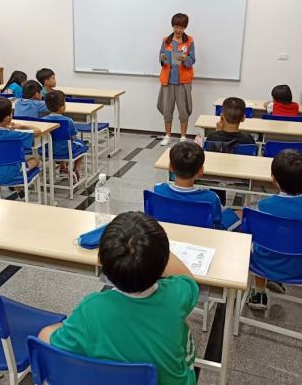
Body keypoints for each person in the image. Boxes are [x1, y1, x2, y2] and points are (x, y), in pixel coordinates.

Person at [38, 211, 198, 385]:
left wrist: (56, 328)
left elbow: (48, 343)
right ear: (164, 262)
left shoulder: (92, 310)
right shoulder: (175, 295)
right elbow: (187, 278)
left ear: (100, 261)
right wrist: (153, 247)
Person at [247, 150, 302, 310]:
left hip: (265, 265)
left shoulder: (263, 206)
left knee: (259, 245)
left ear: (274, 179)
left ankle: (259, 292)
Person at [154, 141, 239, 230]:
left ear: (170, 167)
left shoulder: (158, 190)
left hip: (166, 234)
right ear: (201, 171)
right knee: (240, 213)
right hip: (202, 236)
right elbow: (218, 224)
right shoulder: (211, 198)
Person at [0, 97, 41, 191]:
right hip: (14, 175)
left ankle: (17, 188)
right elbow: (38, 131)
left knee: (11, 160)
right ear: (8, 118)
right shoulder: (15, 134)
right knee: (35, 160)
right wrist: (22, 126)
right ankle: (18, 185)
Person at [157, 13, 196, 146]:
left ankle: (183, 136)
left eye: (181, 27)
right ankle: (167, 135)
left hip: (183, 82)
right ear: (172, 26)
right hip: (168, 81)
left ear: (185, 28)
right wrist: (162, 58)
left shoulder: (189, 41)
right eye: (176, 27)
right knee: (167, 110)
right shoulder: (166, 40)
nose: (178, 30)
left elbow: (192, 60)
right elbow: (161, 57)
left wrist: (186, 59)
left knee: (183, 110)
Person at [43, 90, 86, 179]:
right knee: (81, 145)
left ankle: (63, 166)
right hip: (65, 151)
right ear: (62, 107)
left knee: (59, 142)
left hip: (48, 151)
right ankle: (76, 169)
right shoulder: (68, 121)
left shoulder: (43, 120)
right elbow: (72, 137)